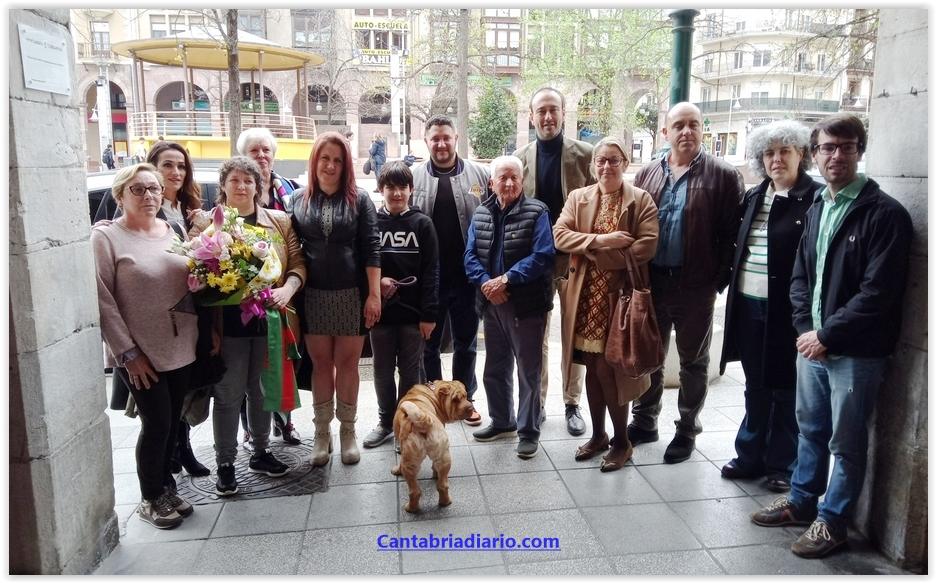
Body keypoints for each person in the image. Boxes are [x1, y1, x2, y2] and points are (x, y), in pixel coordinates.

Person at [750, 114, 913, 558]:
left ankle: (834, 522)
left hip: (854, 352)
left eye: (846, 146)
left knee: (846, 440)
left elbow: (877, 294)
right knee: (810, 429)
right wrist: (806, 329)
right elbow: (801, 277)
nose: (836, 155)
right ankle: (803, 501)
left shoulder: (885, 214)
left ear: (861, 150)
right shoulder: (819, 206)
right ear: (816, 153)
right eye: (828, 147)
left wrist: (826, 335)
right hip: (813, 345)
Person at [629, 101, 744, 464]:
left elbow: (732, 236)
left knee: (694, 361)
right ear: (666, 132)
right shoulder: (647, 173)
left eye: (693, 124)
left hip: (696, 286)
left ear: (701, 130)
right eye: (678, 125)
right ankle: (645, 421)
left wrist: (717, 281)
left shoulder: (723, 176)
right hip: (653, 283)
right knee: (650, 355)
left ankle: (686, 429)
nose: (686, 131)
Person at [190, 156, 306, 496]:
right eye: (234, 180)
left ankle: (260, 451)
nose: (241, 186)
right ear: (223, 187)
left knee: (260, 390)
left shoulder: (280, 221)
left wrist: (288, 288)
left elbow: (297, 262)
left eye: (248, 181)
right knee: (228, 395)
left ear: (259, 187)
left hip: (269, 322)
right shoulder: (207, 226)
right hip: (227, 327)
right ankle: (226, 463)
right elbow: (192, 274)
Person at [718, 121, 823, 493]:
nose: (776, 159)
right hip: (748, 303)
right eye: (769, 153)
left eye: (785, 151)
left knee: (785, 387)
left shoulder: (815, 198)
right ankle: (749, 455)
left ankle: (782, 463)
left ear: (801, 155)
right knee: (755, 384)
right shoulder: (754, 196)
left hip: (789, 310)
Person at [91, 163, 198, 529]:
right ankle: (151, 498)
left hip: (182, 344)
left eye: (154, 189)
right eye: (138, 190)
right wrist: (127, 353)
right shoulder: (106, 238)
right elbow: (102, 300)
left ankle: (165, 486)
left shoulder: (174, 229)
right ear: (120, 196)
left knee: (173, 422)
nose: (150, 196)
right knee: (157, 423)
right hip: (141, 353)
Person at [553, 137, 659, 471]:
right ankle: (599, 435)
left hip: (619, 298)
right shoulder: (577, 197)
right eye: (600, 160)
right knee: (590, 368)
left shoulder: (641, 200)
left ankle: (622, 442)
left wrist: (594, 254)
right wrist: (603, 240)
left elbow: (646, 247)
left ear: (626, 164)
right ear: (592, 165)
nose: (606, 167)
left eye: (613, 160)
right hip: (584, 297)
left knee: (609, 369)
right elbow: (560, 235)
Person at [291, 131, 381, 466]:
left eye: (337, 160)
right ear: (314, 161)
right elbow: (292, 252)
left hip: (351, 295)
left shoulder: (361, 200)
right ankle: (321, 433)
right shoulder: (297, 200)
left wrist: (374, 296)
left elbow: (373, 249)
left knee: (347, 365)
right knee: (320, 365)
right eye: (324, 158)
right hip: (312, 296)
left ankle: (347, 431)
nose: (330, 165)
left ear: (346, 166)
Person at [513, 87, 595, 437]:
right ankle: (539, 403)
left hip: (575, 259)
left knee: (574, 331)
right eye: (540, 111)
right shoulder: (519, 159)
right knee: (537, 337)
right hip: (536, 262)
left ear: (564, 113)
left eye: (553, 110)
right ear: (531, 117)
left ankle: (572, 403)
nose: (547, 117)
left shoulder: (586, 156)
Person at [464, 156, 555, 460]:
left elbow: (543, 255)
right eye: (503, 177)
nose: (509, 183)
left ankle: (528, 431)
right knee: (495, 366)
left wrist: (506, 280)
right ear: (491, 183)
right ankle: (502, 421)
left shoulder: (537, 211)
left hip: (526, 305)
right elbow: (470, 258)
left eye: (515, 177)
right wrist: (488, 285)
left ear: (522, 181)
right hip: (492, 304)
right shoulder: (480, 213)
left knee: (529, 370)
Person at [411, 115, 490, 427]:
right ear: (426, 141)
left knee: (466, 343)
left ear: (456, 138)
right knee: (428, 345)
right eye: (435, 138)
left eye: (446, 137)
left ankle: (465, 400)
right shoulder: (413, 176)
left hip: (467, 277)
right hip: (429, 280)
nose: (441, 144)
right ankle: (434, 400)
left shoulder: (479, 175)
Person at [362, 161, 440, 448]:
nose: (396, 193)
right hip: (379, 314)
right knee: (381, 371)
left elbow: (432, 271)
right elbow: (363, 264)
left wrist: (429, 314)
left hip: (413, 315)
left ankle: (405, 424)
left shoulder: (422, 224)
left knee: (411, 372)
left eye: (401, 187)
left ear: (411, 190)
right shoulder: (371, 223)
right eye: (390, 187)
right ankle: (386, 421)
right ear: (381, 189)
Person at [235, 127, 303, 446]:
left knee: (281, 364)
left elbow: (297, 249)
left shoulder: (290, 191)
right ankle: (251, 429)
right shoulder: (230, 198)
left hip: (282, 299)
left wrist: (289, 287)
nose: (261, 156)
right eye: (254, 151)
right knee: (247, 374)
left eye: (266, 150)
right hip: (240, 307)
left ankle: (284, 422)